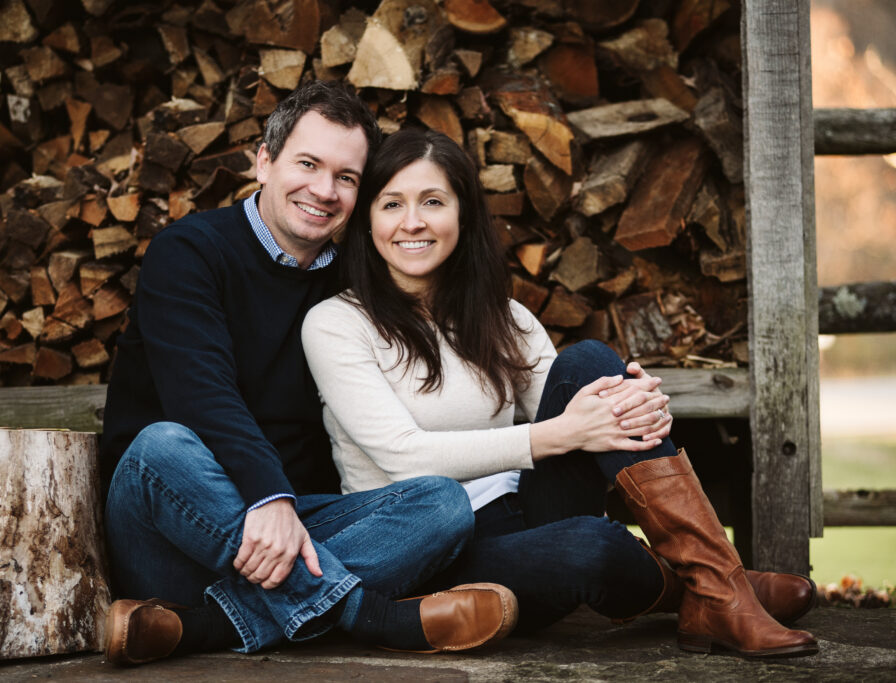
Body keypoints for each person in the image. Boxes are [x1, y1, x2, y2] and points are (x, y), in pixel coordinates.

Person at [301, 127, 819, 658]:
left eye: (432, 201)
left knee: (590, 363)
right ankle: (708, 588)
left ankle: (717, 586)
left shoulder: (506, 318)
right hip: (433, 551)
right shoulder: (337, 325)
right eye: (392, 204)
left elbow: (590, 415)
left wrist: (639, 408)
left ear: (463, 215)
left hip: (529, 509)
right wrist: (559, 434)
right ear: (368, 219)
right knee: (593, 545)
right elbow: (403, 458)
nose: (412, 222)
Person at [98, 83, 519, 665]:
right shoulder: (189, 251)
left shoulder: (355, 278)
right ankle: (371, 616)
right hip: (175, 528)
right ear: (264, 161)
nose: (324, 190)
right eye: (307, 164)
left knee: (442, 503)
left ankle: (204, 627)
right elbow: (203, 396)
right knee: (160, 445)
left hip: (297, 529)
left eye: (347, 177)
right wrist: (268, 498)